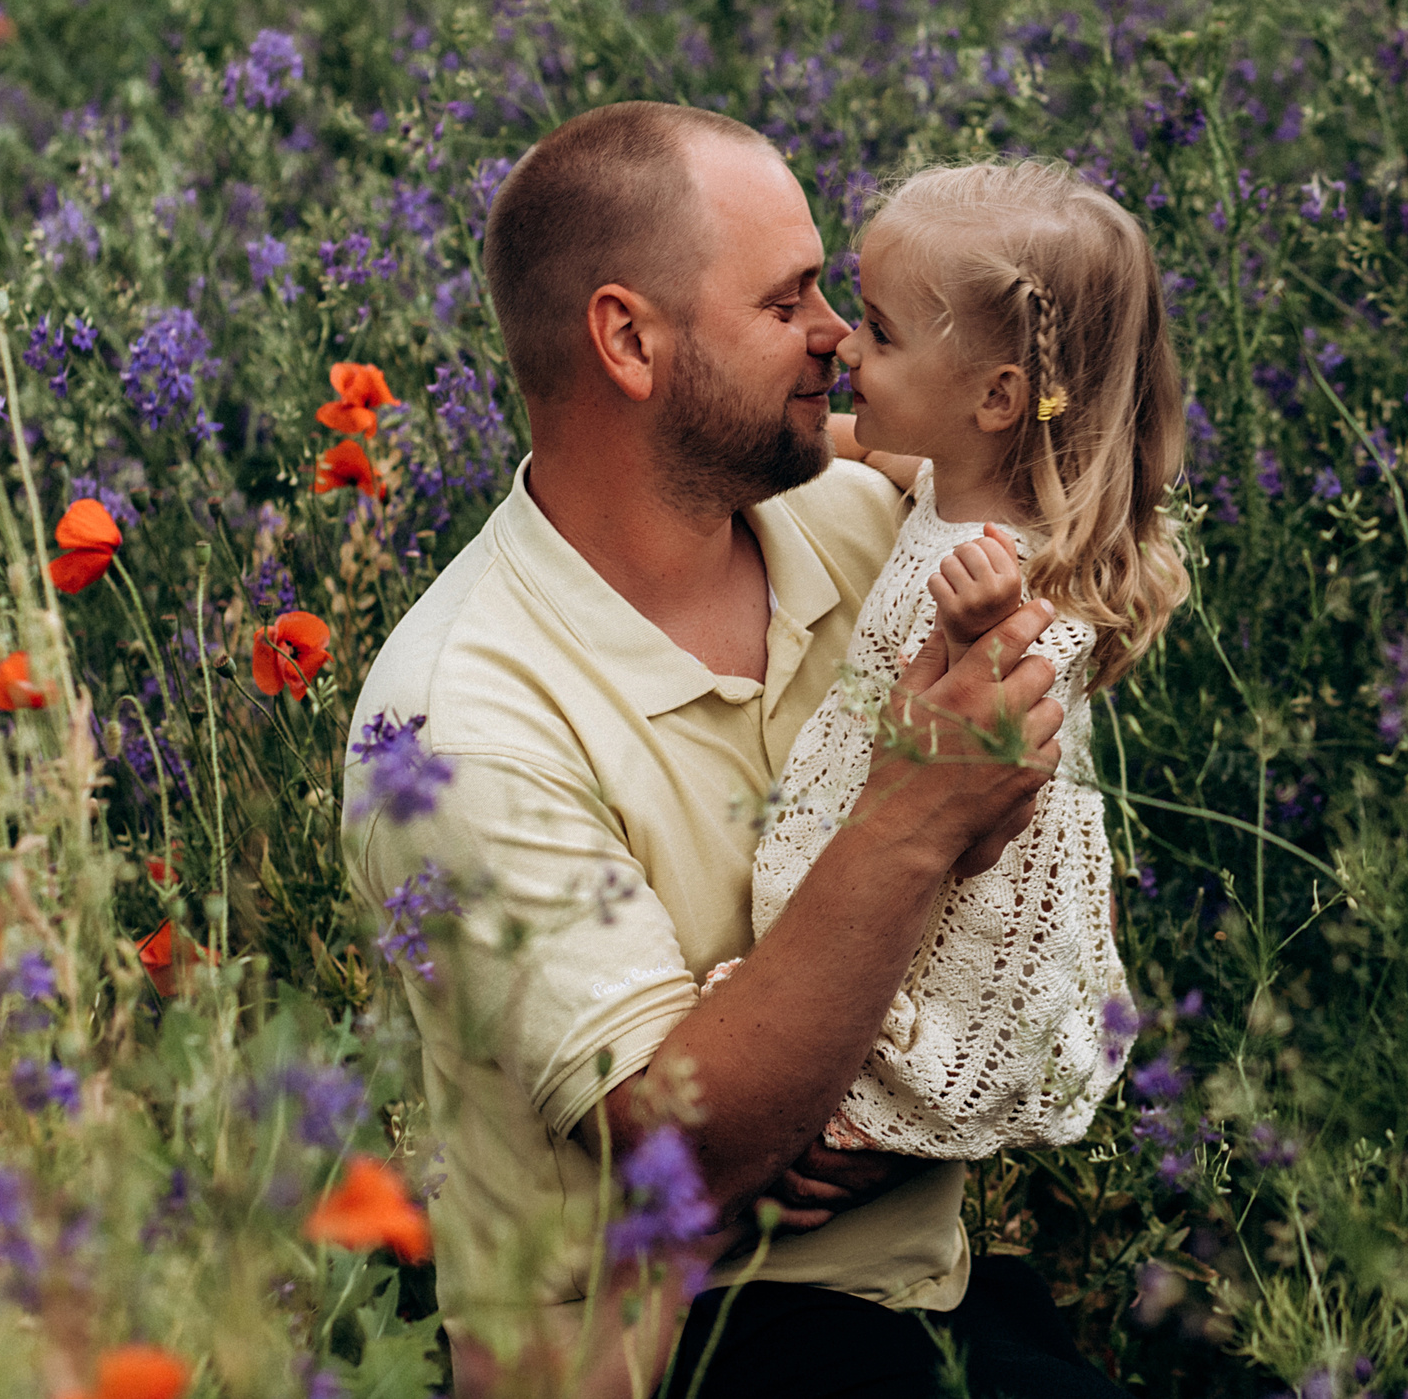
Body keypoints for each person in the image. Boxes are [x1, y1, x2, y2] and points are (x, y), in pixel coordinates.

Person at [342, 103, 1125, 1398]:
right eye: (786, 299)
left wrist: (895, 1117)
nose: (836, 335)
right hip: (664, 1348)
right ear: (628, 340)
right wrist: (916, 811)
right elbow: (684, 1153)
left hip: (920, 1292)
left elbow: (1033, 854)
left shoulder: (860, 522)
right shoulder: (454, 725)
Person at [724, 160, 1188, 1165]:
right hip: (894, 800)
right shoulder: (955, 474)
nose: (845, 344)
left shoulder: (1017, 573)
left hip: (959, 858)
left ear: (996, 396)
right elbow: (879, 454)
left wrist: (984, 627)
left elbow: (989, 793)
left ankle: (873, 1119)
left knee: (905, 1006)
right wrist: (783, 441)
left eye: (880, 331)